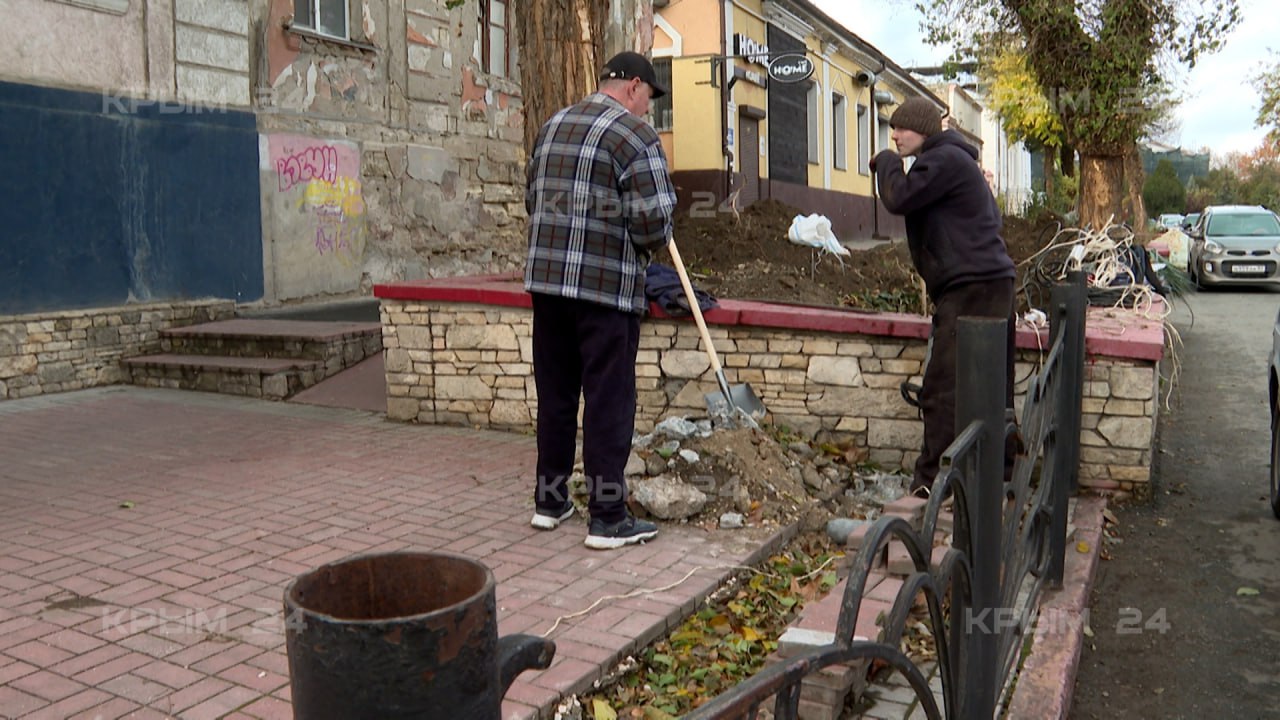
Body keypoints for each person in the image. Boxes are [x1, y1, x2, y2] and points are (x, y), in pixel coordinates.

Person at [524, 51, 677, 549]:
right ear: (634, 86)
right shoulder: (635, 136)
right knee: (609, 401)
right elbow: (653, 225)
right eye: (649, 99)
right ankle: (608, 516)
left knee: (557, 394)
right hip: (605, 291)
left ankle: (550, 501)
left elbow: (533, 199)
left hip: (548, 287)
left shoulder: (552, 125)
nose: (648, 110)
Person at [870, 96, 1018, 497]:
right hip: (988, 284)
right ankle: (998, 476)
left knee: (943, 389)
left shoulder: (945, 161)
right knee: (989, 386)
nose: (895, 135)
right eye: (891, 129)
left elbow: (898, 197)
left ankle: (930, 487)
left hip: (973, 289)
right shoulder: (951, 162)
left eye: (901, 128)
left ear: (924, 130)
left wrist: (884, 161)